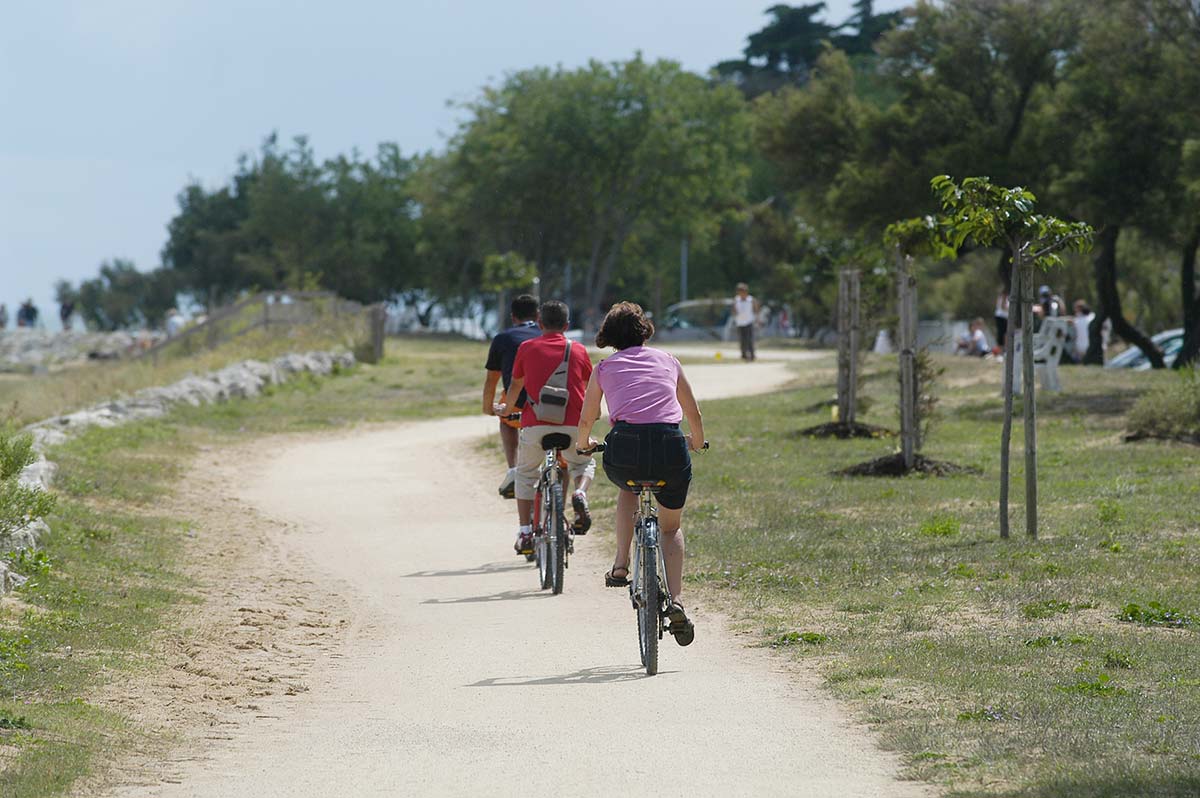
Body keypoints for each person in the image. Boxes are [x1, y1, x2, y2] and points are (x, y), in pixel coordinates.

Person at [577, 301, 705, 647]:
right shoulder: (669, 361)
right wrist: (698, 441)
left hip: (625, 448)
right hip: (670, 445)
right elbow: (691, 410)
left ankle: (621, 565)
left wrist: (583, 443)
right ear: (644, 331)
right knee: (671, 527)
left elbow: (588, 416)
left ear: (610, 337)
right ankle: (676, 600)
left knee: (627, 490)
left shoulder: (604, 368)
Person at [498, 300, 596, 556]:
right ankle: (580, 494)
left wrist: (506, 410)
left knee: (526, 474)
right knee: (583, 464)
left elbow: (515, 387)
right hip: (573, 424)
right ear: (566, 325)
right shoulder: (579, 350)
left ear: (539, 323)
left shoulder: (526, 347)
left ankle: (525, 532)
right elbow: (588, 385)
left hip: (535, 425)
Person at [482, 295, 540, 498]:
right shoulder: (547, 334)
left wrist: (488, 408)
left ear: (513, 317)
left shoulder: (503, 338)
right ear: (538, 315)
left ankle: (513, 468)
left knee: (506, 420)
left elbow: (492, 379)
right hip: (552, 402)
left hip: (517, 404)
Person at [732, 282, 760, 361]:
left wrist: (757, 319)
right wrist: (735, 314)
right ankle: (744, 355)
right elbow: (734, 310)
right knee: (742, 340)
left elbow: (756, 309)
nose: (741, 293)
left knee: (749, 339)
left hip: (749, 321)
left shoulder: (751, 299)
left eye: (743, 291)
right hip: (740, 322)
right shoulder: (736, 299)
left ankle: (752, 355)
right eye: (740, 291)